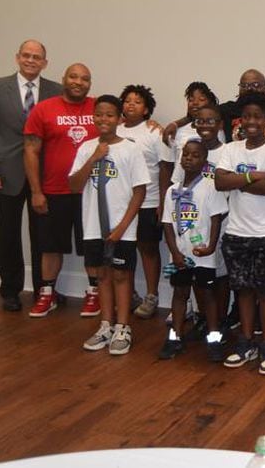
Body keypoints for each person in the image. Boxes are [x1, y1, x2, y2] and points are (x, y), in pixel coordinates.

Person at [0, 40, 63, 311]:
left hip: (42, 176)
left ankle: (43, 290)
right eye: (27, 55)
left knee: (43, 236)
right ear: (17, 58)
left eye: (37, 57)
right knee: (8, 234)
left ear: (45, 63)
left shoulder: (56, 91)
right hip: (4, 174)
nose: (31, 60)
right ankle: (10, 290)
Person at [215, 92, 265, 375]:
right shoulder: (230, 149)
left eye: (258, 117)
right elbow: (219, 182)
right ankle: (245, 343)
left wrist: (236, 182)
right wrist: (251, 177)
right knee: (243, 292)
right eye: (247, 116)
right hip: (236, 232)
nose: (252, 122)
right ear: (239, 120)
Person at [69, 95, 150, 355]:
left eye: (110, 115)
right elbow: (74, 185)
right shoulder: (86, 148)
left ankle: (123, 327)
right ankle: (106, 325)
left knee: (121, 275)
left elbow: (139, 192)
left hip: (122, 226)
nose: (104, 119)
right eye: (99, 114)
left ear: (119, 119)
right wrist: (94, 157)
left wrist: (122, 227)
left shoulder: (131, 148)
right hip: (93, 225)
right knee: (101, 275)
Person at [23, 63, 100, 317]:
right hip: (54, 190)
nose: (79, 82)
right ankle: (47, 294)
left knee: (91, 245)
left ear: (90, 83)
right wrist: (36, 191)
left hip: (91, 191)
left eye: (85, 78)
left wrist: (153, 123)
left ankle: (94, 293)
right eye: (74, 77)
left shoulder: (98, 108)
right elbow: (31, 151)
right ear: (64, 79)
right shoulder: (44, 109)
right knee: (50, 246)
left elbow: (126, 128)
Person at [159, 138, 229, 362]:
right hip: (180, 255)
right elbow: (168, 224)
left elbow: (216, 219)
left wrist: (210, 247)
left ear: (205, 160)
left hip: (203, 256)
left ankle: (214, 339)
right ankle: (174, 337)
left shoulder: (211, 187)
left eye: (195, 155)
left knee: (207, 296)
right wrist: (175, 253)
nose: (189, 158)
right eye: (186, 154)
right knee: (180, 294)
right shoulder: (172, 190)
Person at [117, 85, 172, 319]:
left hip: (148, 202)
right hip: (119, 203)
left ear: (146, 108)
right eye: (127, 100)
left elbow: (164, 168)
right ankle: (129, 294)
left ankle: (152, 295)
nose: (131, 104)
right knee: (124, 250)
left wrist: (162, 200)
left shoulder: (153, 133)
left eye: (137, 101)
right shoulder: (114, 130)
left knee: (148, 249)